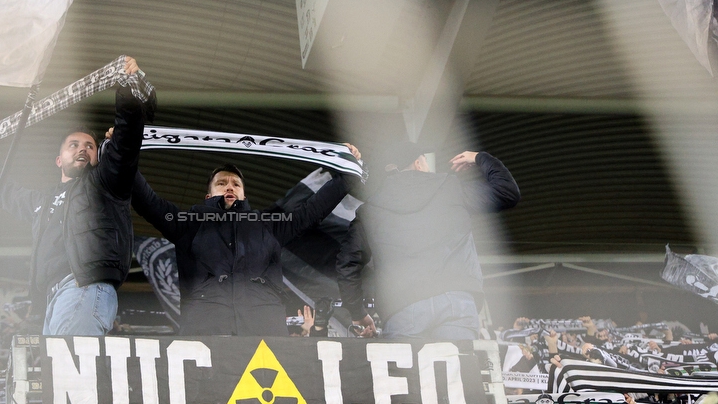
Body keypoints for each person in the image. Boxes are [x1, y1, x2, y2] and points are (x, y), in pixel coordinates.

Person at [0, 57, 155, 336]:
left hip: (84, 287)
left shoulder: (105, 182)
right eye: (74, 145)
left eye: (90, 146)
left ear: (98, 155)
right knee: (61, 377)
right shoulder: (41, 202)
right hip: (52, 300)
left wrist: (127, 89)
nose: (82, 149)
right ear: (58, 159)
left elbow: (127, 139)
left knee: (70, 373)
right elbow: (5, 192)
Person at [128, 154, 359, 336]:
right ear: (208, 197)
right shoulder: (187, 224)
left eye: (236, 184)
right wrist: (123, 151)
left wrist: (346, 173)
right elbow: (147, 201)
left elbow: (312, 211)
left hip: (265, 337)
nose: (229, 187)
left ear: (244, 195)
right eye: (221, 183)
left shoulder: (269, 226)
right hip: (205, 336)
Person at [336, 144, 519, 340]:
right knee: (458, 369)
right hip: (455, 301)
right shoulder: (450, 186)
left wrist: (359, 314)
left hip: (402, 309)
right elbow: (507, 193)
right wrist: (480, 158)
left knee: (409, 371)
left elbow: (347, 265)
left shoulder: (370, 210)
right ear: (418, 163)